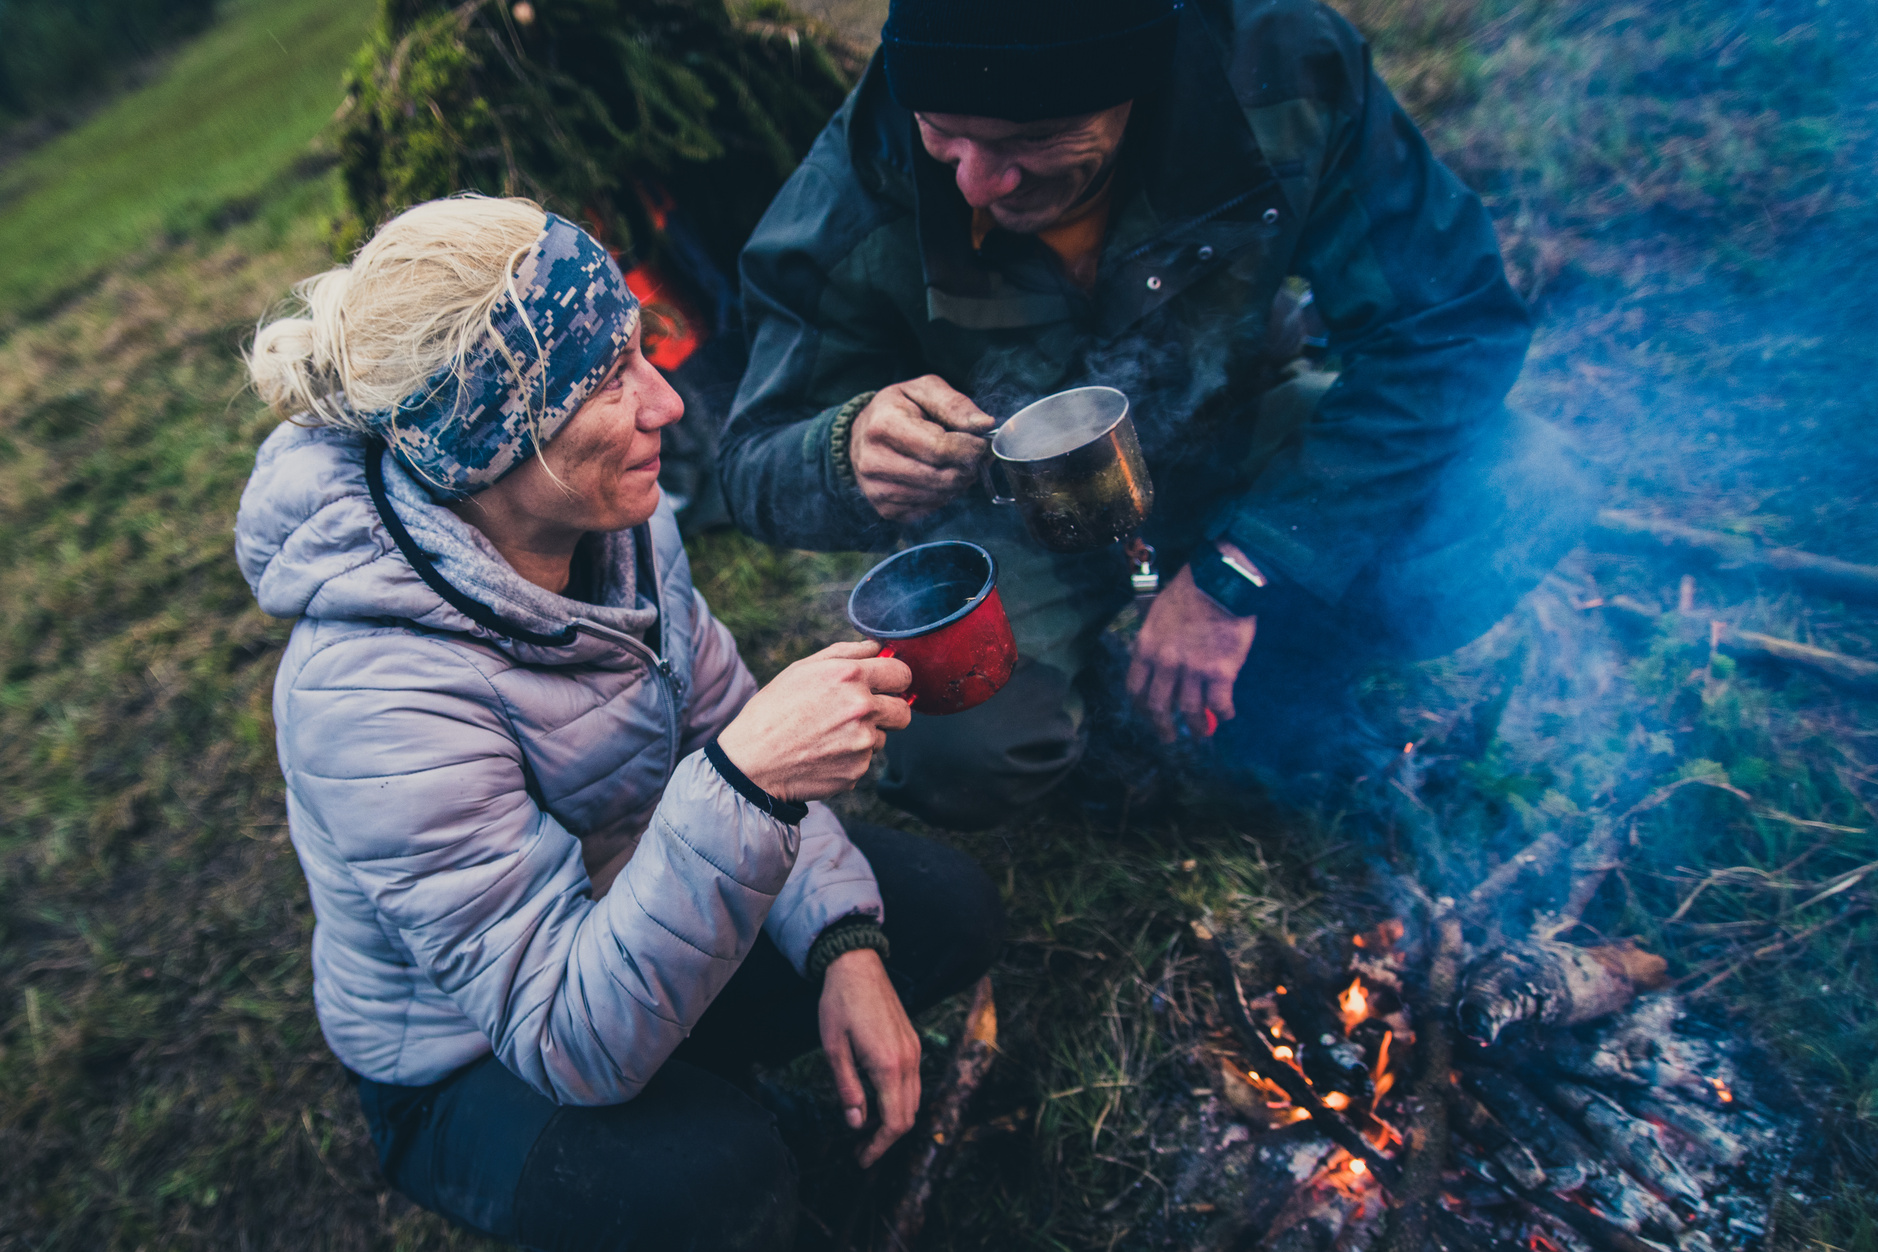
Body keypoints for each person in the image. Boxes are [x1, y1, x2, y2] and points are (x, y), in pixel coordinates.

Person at [234, 195, 1002, 1251]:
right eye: (607, 381)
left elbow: (723, 714)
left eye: (642, 353)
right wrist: (746, 786)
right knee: (715, 1183)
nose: (668, 402)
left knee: (940, 909)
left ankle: (708, 1075)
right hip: (477, 1053)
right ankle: (684, 1127)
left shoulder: (617, 520)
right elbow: (559, 1035)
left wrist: (841, 943)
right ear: (487, 443)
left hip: (637, 901)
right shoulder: (366, 701)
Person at [718, 0, 1598, 830]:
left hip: (1234, 439)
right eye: (945, 134)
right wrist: (845, 452)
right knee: (962, 760)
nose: (978, 184)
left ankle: (1274, 679)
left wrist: (1245, 570)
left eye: (1034, 137)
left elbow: (1448, 327)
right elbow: (754, 457)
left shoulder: (1278, 69)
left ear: (1141, 83)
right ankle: (1111, 698)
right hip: (1017, 519)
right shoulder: (860, 172)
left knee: (1522, 486)